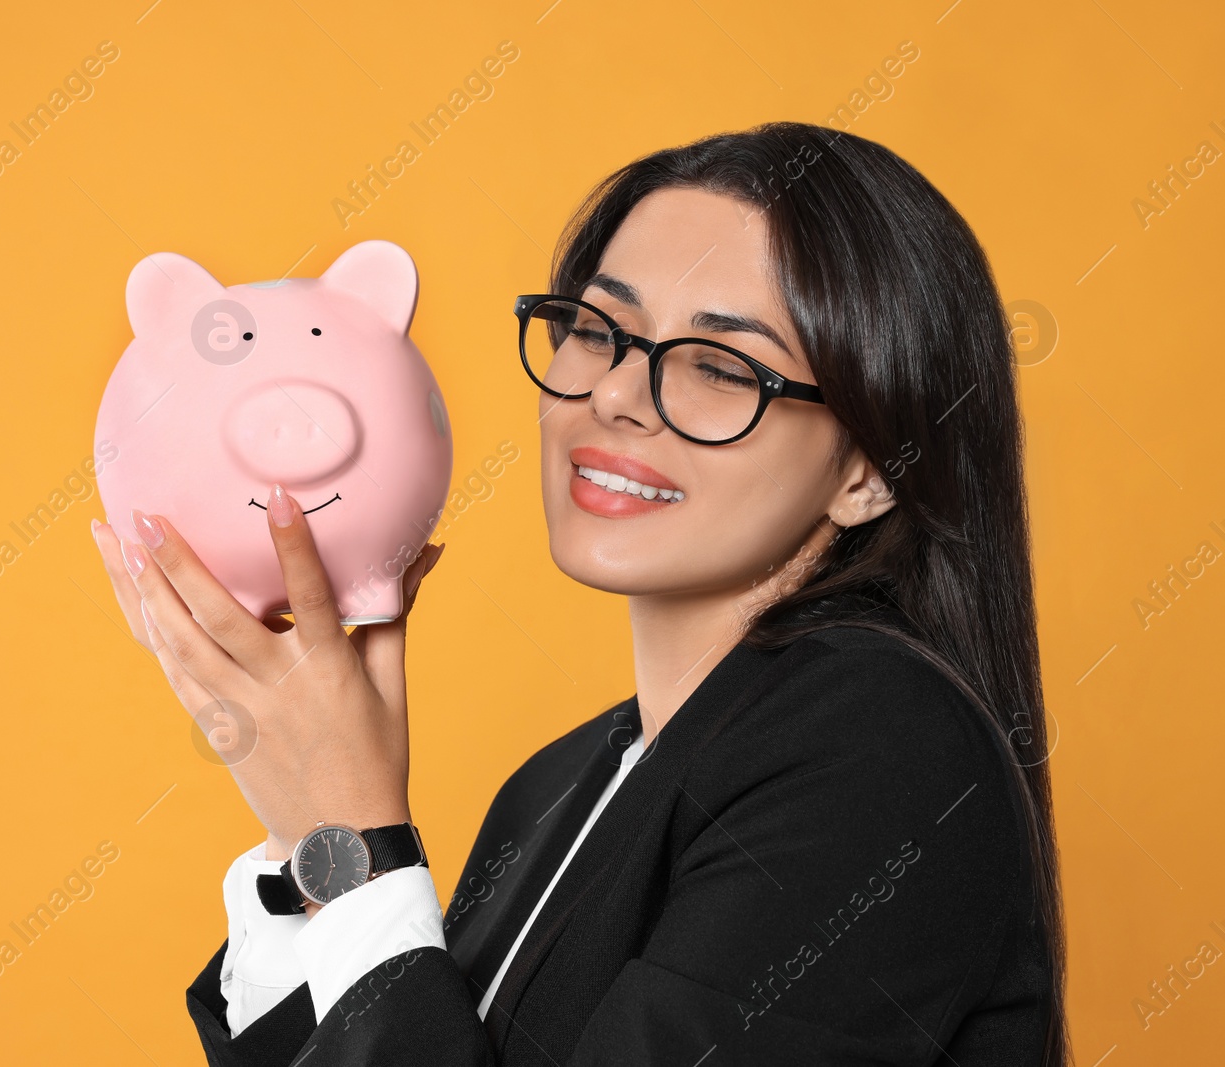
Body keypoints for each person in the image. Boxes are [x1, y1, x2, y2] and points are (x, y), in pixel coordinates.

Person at [91, 120, 1069, 1065]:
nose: (612, 394)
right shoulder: (559, 781)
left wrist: (349, 824)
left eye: (721, 364)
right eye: (598, 330)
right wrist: (312, 838)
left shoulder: (880, 747)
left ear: (869, 466)